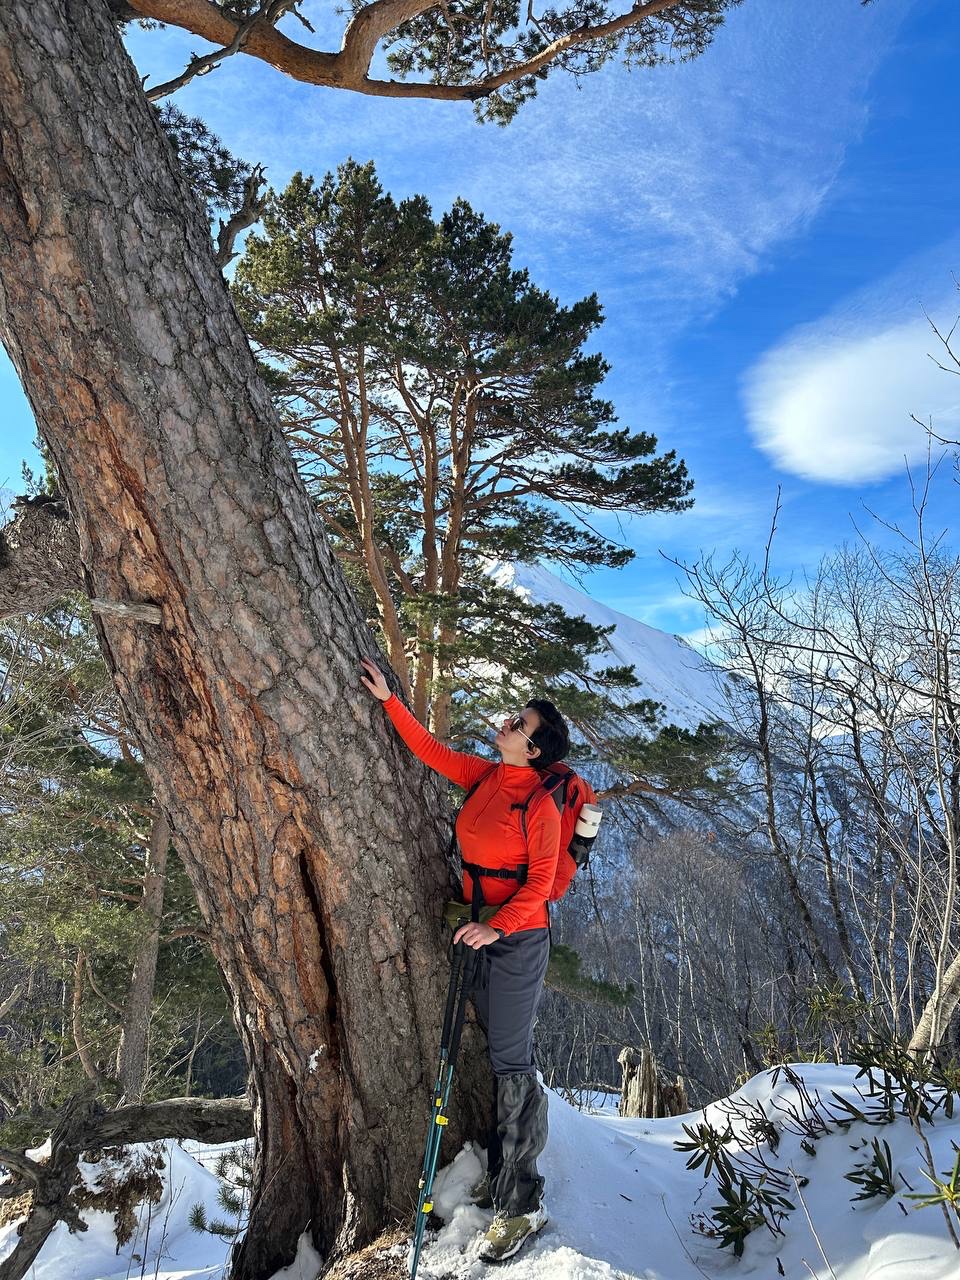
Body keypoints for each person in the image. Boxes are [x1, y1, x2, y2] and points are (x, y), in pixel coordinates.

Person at [359, 656, 568, 1263]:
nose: (503, 723)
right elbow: (430, 751)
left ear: (532, 749)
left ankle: (522, 1202)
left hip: (518, 940)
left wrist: (492, 929)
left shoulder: (541, 806)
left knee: (512, 1062)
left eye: (516, 723)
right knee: (498, 1055)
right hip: (479, 929)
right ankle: (503, 1174)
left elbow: (541, 886)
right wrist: (388, 700)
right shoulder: (485, 778)